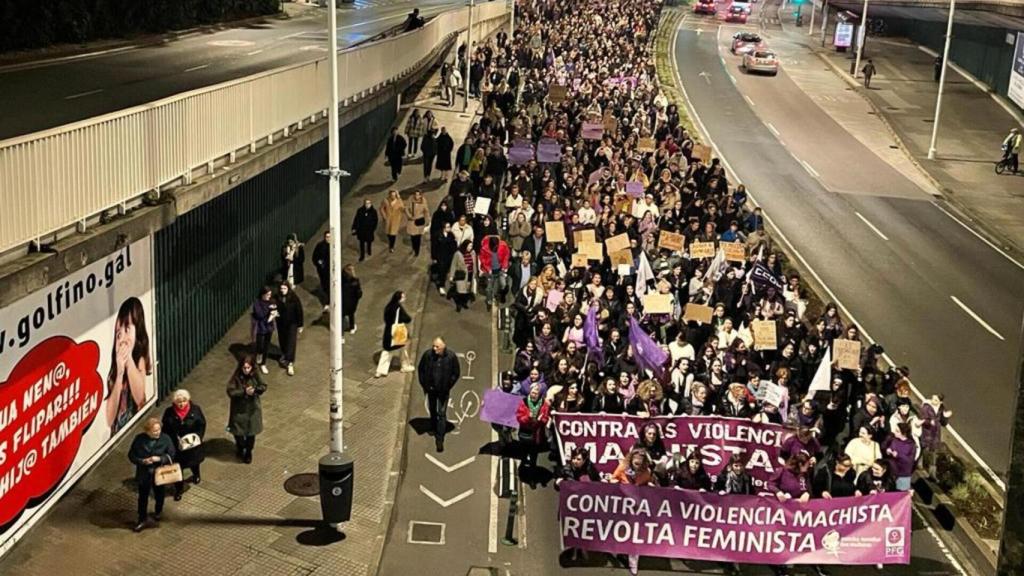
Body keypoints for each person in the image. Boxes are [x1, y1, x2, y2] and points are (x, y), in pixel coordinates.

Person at [106, 297, 152, 436]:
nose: (122, 339)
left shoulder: (139, 360)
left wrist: (129, 362)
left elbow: (139, 398)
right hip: (117, 433)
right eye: (118, 334)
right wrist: (119, 374)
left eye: (127, 329)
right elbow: (109, 419)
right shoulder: (114, 373)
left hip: (136, 430)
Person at [128, 417, 175, 532]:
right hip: (144, 473)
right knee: (142, 497)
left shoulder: (165, 439)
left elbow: (171, 454)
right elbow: (131, 455)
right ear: (147, 431)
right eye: (154, 431)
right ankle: (142, 518)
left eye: (159, 429)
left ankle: (158, 511)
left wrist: (159, 459)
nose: (157, 432)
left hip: (159, 473)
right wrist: (141, 461)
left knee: (159, 494)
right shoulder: (139, 439)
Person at [160, 389, 206, 501]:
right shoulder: (169, 412)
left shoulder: (196, 410)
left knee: (194, 462)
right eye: (179, 402)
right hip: (177, 447)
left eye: (184, 401)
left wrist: (197, 437)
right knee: (178, 468)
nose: (181, 404)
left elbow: (201, 425)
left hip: (192, 445)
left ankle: (196, 475)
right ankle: (178, 489)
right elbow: (165, 429)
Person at [417, 337, 461, 452]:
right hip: (431, 389)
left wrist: (448, 385)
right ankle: (433, 426)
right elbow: (421, 370)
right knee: (432, 410)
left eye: (437, 347)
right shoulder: (428, 355)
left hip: (443, 391)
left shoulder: (450, 357)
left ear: (443, 347)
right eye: (433, 346)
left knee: (442, 414)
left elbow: (456, 373)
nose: (434, 348)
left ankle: (440, 438)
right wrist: (425, 385)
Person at [227, 355, 265, 464]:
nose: (246, 370)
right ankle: (240, 447)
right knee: (237, 432)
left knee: (250, 433)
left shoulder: (255, 375)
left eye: (248, 368)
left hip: (252, 409)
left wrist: (255, 390)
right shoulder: (236, 377)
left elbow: (263, 385)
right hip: (239, 410)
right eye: (244, 368)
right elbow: (231, 391)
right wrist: (243, 392)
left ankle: (248, 452)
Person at [378, 291, 415, 377]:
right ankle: (405, 366)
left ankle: (380, 370)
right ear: (399, 299)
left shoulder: (388, 306)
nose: (404, 299)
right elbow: (407, 319)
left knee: (387, 350)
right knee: (404, 348)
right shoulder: (398, 308)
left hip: (388, 332)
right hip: (397, 332)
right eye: (403, 297)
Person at [516, 382, 551, 470]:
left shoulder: (544, 404)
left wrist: (540, 420)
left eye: (536, 393)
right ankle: (523, 465)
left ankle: (532, 471)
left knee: (534, 454)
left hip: (537, 434)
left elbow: (546, 418)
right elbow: (519, 418)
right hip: (524, 433)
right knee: (524, 452)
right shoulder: (523, 402)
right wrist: (528, 417)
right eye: (532, 393)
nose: (533, 395)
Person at [275, 281, 304, 376]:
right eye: (281, 288)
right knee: (282, 339)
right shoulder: (277, 297)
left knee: (291, 341)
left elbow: (299, 311)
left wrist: (300, 325)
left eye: (284, 288)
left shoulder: (294, 298)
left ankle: (290, 361)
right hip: (281, 323)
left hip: (292, 323)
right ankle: (284, 354)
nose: (282, 291)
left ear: (288, 289)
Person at [251, 286, 277, 374]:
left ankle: (263, 363)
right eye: (267, 295)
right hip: (260, 327)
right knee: (260, 344)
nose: (269, 296)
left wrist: (274, 312)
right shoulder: (257, 303)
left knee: (266, 345)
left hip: (269, 327)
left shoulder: (271, 301)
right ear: (262, 294)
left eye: (270, 294)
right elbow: (259, 315)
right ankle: (259, 353)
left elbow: (275, 309)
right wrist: (270, 311)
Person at [479, 234, 510, 308]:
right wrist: (488, 269)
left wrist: (504, 266)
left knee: (503, 285)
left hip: (500, 269)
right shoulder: (484, 248)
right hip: (490, 271)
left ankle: (501, 296)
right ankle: (489, 300)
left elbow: (506, 255)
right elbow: (482, 259)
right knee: (489, 288)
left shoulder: (503, 245)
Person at [447, 240, 476, 312]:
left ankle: (464, 303)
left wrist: (475, 273)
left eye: (471, 246)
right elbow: (453, 265)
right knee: (460, 291)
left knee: (467, 291)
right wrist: (451, 276)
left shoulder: (473, 253)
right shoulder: (458, 254)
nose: (470, 247)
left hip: (470, 274)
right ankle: (458, 305)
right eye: (469, 246)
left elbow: (474, 264)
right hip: (461, 275)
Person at [380, 190, 406, 254]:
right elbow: (381, 208)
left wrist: (399, 198)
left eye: (394, 195)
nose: (393, 196)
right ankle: (390, 241)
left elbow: (403, 208)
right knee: (388, 233)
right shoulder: (385, 200)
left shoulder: (398, 201)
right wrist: (384, 216)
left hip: (395, 220)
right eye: (392, 195)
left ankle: (391, 246)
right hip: (388, 220)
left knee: (393, 234)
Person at [405, 190, 429, 257]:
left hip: (419, 222)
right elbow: (406, 208)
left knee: (418, 238)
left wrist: (427, 220)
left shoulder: (423, 201)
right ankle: (413, 248)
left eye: (418, 195)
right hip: (412, 221)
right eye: (415, 194)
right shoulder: (411, 199)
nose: (417, 196)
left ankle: (417, 251)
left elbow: (426, 211)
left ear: (421, 195)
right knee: (412, 237)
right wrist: (409, 216)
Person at [312, 231, 331, 311]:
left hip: (331, 269)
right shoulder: (320, 246)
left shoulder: (334, 246)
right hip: (323, 270)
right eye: (327, 237)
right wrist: (318, 263)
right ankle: (328, 299)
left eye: (329, 237)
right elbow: (315, 257)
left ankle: (329, 301)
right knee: (325, 286)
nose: (328, 238)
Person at [341, 264, 362, 333]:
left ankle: (341, 333)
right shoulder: (355, 281)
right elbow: (359, 293)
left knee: (341, 316)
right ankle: (352, 327)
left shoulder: (341, 280)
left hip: (343, 302)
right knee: (351, 315)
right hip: (352, 303)